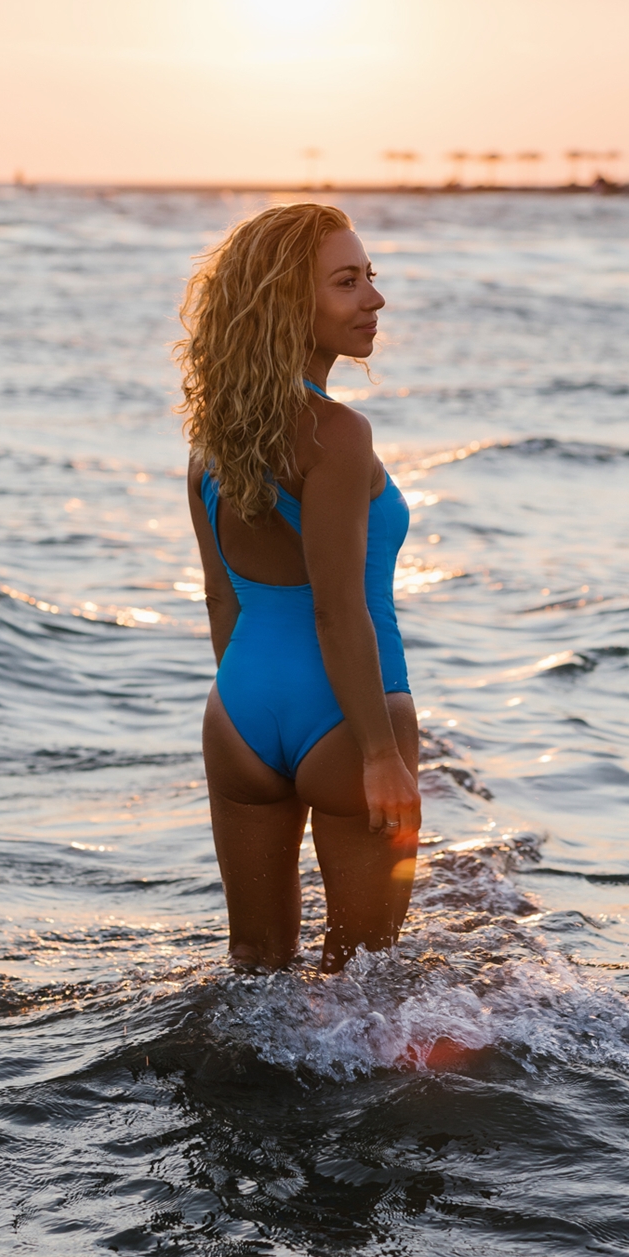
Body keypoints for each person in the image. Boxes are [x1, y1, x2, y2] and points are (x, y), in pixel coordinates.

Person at [177, 202, 421, 974]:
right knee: (364, 977)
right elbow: (337, 606)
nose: (373, 299)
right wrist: (380, 753)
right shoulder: (338, 436)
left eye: (369, 278)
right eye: (347, 282)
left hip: (239, 715)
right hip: (347, 717)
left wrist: (249, 705)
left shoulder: (210, 442)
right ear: (291, 303)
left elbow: (224, 600)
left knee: (254, 963)